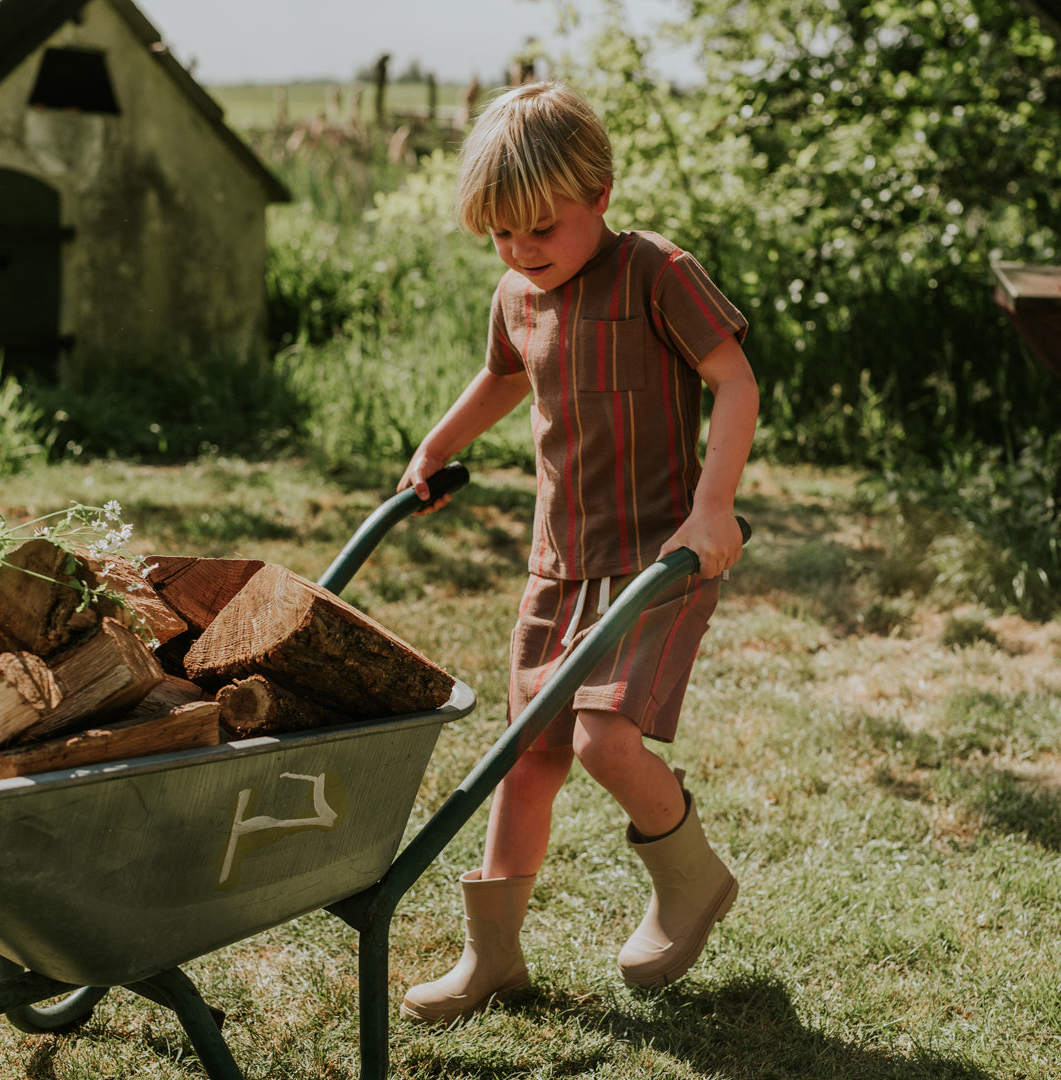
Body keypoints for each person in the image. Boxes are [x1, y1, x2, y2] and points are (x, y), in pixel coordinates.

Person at [396, 81, 759, 1024]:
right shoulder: (517, 294)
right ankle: (491, 958)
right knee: (525, 757)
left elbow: (734, 380)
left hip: (661, 556)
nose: (522, 250)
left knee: (603, 737)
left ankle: (690, 878)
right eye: (501, 234)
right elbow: (500, 377)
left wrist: (712, 508)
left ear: (600, 194)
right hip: (559, 565)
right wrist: (437, 446)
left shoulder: (656, 272)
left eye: (541, 228)